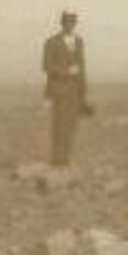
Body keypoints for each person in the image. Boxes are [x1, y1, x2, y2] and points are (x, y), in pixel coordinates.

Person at [41, 10, 91, 167]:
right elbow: (46, 66)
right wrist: (67, 71)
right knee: (59, 126)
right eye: (67, 22)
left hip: (75, 92)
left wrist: (84, 93)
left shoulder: (79, 42)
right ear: (62, 23)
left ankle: (66, 160)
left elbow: (82, 67)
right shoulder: (51, 42)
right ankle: (57, 161)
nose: (70, 25)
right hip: (59, 91)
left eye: (73, 22)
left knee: (71, 127)